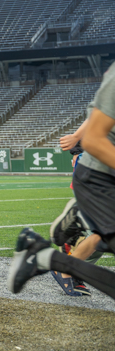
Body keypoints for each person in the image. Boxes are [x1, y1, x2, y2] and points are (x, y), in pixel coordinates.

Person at [9, 62, 115, 301]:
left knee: (101, 236)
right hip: (102, 174)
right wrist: (77, 137)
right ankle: (79, 224)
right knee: (100, 235)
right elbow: (97, 128)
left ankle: (50, 257)